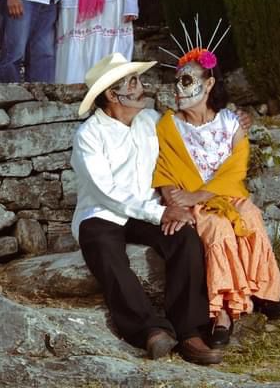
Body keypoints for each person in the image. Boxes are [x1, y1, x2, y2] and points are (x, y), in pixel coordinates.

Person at [70, 53, 223, 366]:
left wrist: (173, 202)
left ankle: (189, 330)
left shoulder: (151, 120)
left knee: (184, 237)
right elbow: (107, 192)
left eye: (138, 79)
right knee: (102, 247)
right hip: (102, 213)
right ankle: (149, 330)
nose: (142, 86)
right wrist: (160, 214)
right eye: (133, 82)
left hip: (150, 210)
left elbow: (179, 154)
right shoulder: (89, 135)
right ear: (112, 95)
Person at [152, 44, 280, 347]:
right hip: (195, 205)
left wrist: (201, 192)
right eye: (176, 81)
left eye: (187, 81)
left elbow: (237, 169)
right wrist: (176, 200)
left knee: (250, 215)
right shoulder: (169, 125)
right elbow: (164, 170)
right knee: (218, 229)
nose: (178, 88)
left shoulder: (231, 122)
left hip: (224, 194)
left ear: (209, 84)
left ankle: (264, 291)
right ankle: (223, 312)